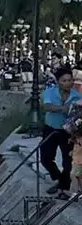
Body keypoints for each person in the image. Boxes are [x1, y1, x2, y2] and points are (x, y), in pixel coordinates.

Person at [41, 65, 82, 194]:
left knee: (68, 160)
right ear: (58, 82)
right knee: (45, 157)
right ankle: (57, 177)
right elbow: (47, 107)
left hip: (68, 132)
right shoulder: (50, 92)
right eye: (64, 81)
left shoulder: (76, 95)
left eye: (70, 80)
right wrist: (63, 109)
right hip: (51, 128)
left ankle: (63, 186)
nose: (68, 83)